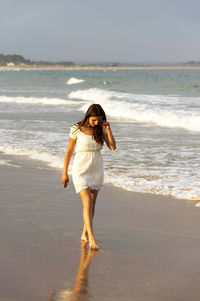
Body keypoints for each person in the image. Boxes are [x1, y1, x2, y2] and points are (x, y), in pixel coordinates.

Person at [61, 104, 116, 250]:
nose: (95, 123)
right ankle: (91, 238)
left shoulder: (100, 130)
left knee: (92, 204)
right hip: (80, 168)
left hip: (96, 168)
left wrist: (108, 130)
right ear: (88, 116)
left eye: (98, 120)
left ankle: (84, 233)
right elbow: (69, 151)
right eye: (93, 120)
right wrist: (64, 172)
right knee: (87, 203)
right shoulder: (76, 129)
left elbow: (112, 147)